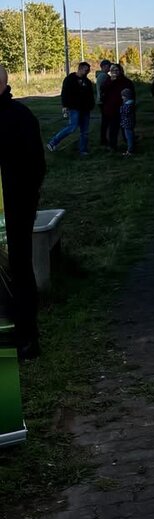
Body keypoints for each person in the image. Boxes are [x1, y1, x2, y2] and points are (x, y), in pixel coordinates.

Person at [0, 66, 46, 359]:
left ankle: (25, 336)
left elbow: (36, 167)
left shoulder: (20, 117)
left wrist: (23, 202)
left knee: (17, 269)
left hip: (13, 210)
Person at [47, 61, 95, 156]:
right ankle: (53, 142)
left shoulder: (87, 82)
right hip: (74, 107)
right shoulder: (70, 79)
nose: (87, 72)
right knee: (72, 127)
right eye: (86, 70)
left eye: (88, 70)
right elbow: (64, 93)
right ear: (80, 69)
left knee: (84, 131)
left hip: (85, 109)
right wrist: (65, 106)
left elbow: (90, 95)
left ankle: (83, 150)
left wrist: (91, 105)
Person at [99, 63, 134, 152]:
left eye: (116, 70)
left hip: (124, 107)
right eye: (112, 70)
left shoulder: (126, 81)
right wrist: (111, 81)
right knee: (113, 128)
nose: (115, 72)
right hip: (112, 108)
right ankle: (113, 146)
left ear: (120, 71)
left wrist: (130, 105)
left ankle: (130, 145)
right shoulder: (108, 80)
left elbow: (131, 94)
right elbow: (103, 89)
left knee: (126, 128)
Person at [95, 59, 111, 146]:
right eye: (109, 66)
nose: (110, 68)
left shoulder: (101, 75)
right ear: (104, 66)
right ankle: (103, 139)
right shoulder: (103, 76)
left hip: (101, 100)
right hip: (103, 101)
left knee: (105, 120)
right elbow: (103, 89)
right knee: (105, 121)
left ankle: (104, 139)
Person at [120, 88, 136, 157]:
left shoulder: (127, 105)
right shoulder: (131, 104)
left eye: (123, 96)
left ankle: (130, 150)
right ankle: (131, 148)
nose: (122, 97)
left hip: (127, 123)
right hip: (130, 123)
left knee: (129, 137)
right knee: (130, 135)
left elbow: (124, 112)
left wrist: (121, 108)